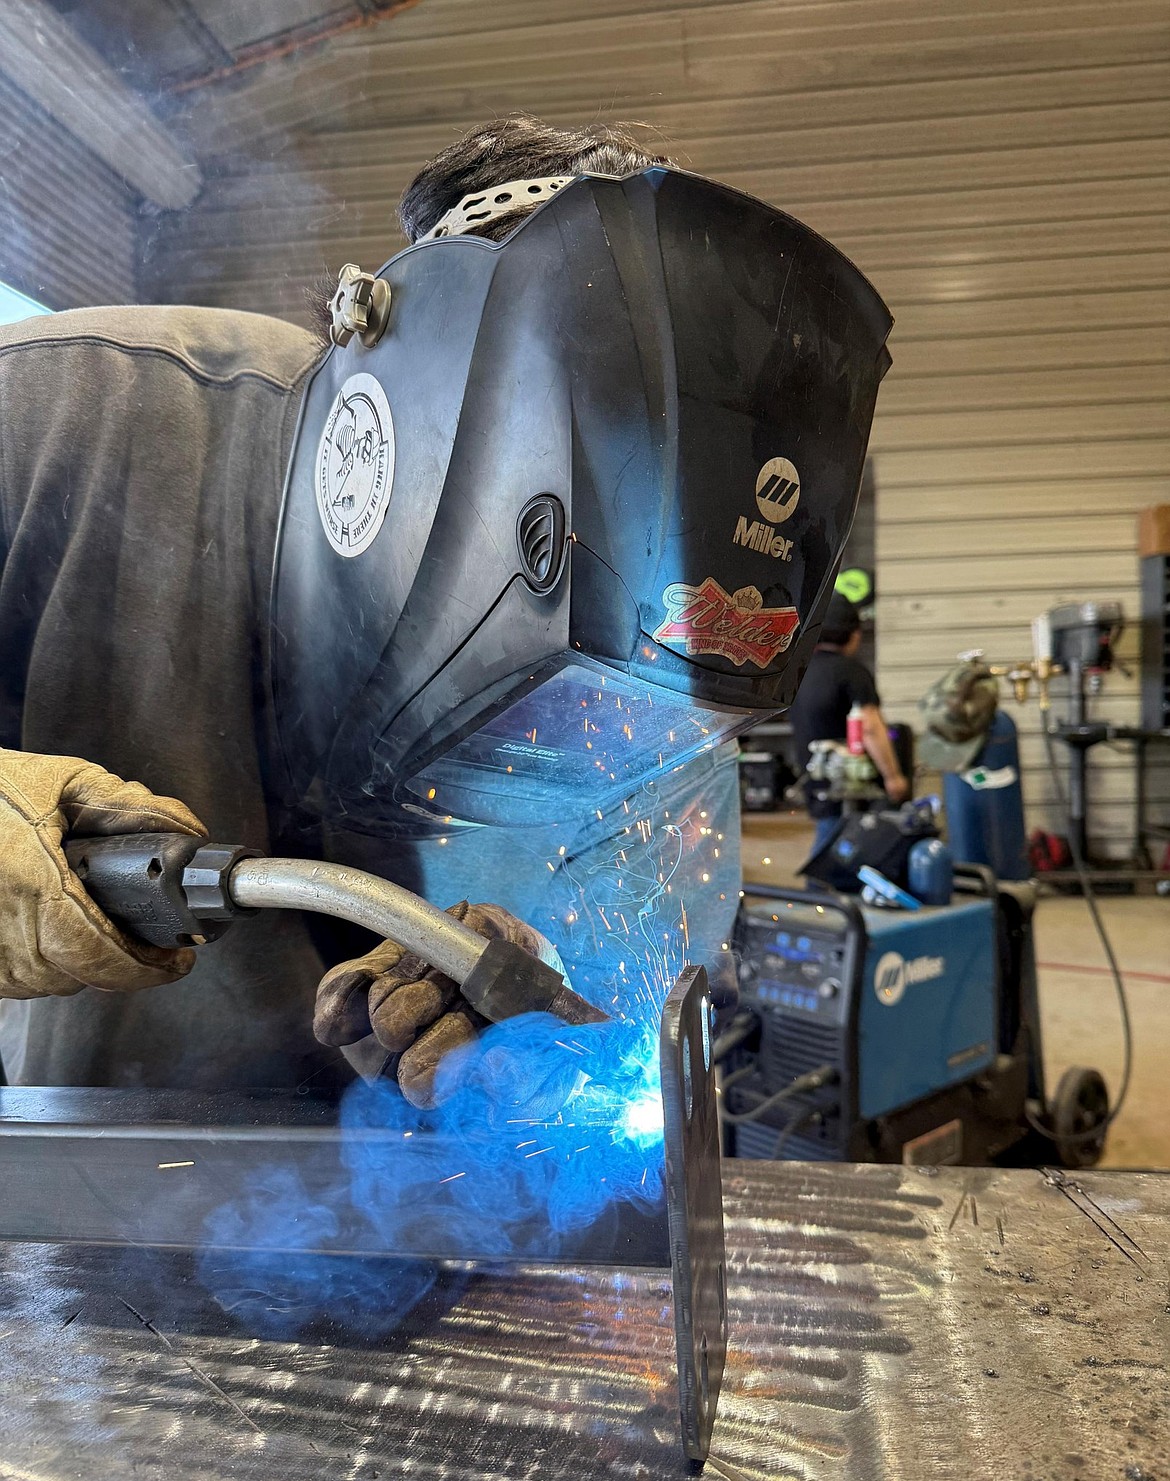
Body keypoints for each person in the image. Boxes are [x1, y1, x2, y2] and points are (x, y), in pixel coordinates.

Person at [0, 115, 891, 1096]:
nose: (591, 736)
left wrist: (536, 995)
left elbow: (630, 989)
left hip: (354, 1206)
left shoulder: (659, 714)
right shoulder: (83, 415)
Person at [788, 592, 909, 853]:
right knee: (840, 849)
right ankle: (817, 891)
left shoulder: (800, 671)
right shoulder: (852, 671)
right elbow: (869, 726)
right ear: (853, 635)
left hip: (813, 776)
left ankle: (819, 889)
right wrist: (894, 777)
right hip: (849, 787)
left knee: (830, 837)